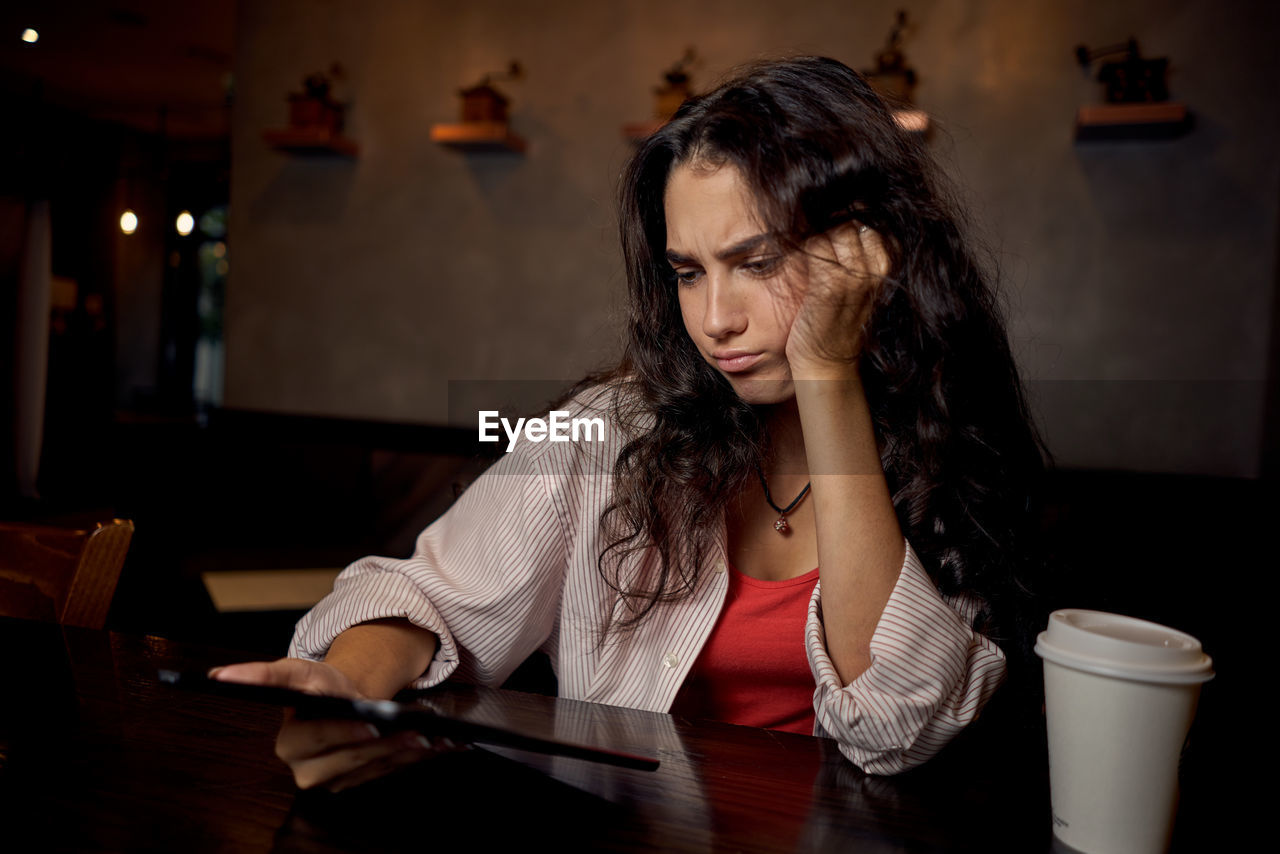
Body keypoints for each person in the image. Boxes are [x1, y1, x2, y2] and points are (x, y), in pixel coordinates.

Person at [213, 56, 1046, 791]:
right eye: (688, 272)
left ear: (865, 257)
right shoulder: (608, 427)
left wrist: (829, 375)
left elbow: (902, 726)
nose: (715, 318)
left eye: (756, 263)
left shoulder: (953, 447)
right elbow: (427, 591)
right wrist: (345, 683)